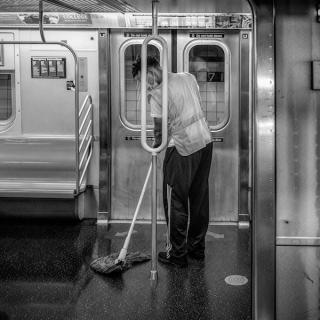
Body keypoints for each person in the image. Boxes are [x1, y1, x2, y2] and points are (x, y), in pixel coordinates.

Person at [132, 56, 213, 267]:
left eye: (146, 77)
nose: (147, 84)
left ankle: (177, 255)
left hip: (182, 148)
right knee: (199, 199)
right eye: (143, 81)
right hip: (204, 143)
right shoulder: (187, 77)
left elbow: (159, 129)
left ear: (155, 68)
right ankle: (197, 249)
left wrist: (155, 147)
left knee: (175, 202)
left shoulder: (156, 95)